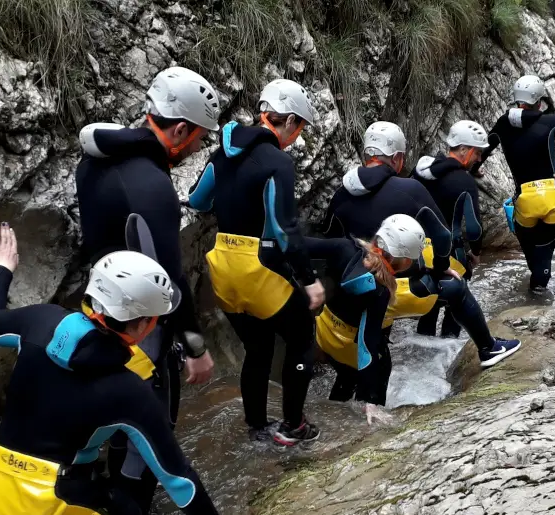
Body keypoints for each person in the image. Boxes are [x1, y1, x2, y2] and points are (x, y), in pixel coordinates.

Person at [0, 224, 258, 515]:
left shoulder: (39, 322)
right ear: (142, 326)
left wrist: (3, 268)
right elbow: (178, 479)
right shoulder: (127, 392)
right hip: (52, 505)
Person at [76, 66, 220, 428]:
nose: (199, 147)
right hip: (139, 328)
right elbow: (169, 279)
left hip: (95, 309)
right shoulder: (152, 187)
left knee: (107, 422)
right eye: (200, 137)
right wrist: (195, 347)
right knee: (150, 427)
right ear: (181, 129)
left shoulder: (96, 160)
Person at [187, 79, 325, 446]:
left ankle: (257, 427)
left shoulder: (221, 154)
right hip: (259, 267)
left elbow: (197, 200)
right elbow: (284, 228)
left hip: (223, 266)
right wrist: (309, 280)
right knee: (300, 338)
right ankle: (293, 426)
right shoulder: (277, 161)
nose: (297, 136)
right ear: (290, 121)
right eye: (299, 128)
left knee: (258, 347)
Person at [322, 121, 521, 368]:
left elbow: (328, 244)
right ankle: (488, 349)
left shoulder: (340, 194)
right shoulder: (409, 189)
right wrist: (439, 267)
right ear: (396, 157)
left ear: (366, 154)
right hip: (395, 291)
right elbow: (442, 236)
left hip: (350, 294)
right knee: (455, 288)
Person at [474, 74, 555, 293]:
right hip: (553, 196)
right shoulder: (550, 121)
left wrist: (475, 170)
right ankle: (539, 298)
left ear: (516, 99)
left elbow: (481, 151)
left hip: (525, 200)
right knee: (544, 253)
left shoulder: (502, 124)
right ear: (540, 100)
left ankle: (532, 291)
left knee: (531, 253)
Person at [306, 215, 425, 426]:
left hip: (323, 333)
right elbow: (366, 343)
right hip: (348, 347)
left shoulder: (343, 247)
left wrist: (308, 279)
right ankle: (369, 414)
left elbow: (298, 246)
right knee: (381, 361)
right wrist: (370, 399)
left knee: (346, 375)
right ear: (405, 262)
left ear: (378, 238)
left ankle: (333, 409)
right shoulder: (380, 292)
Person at [412, 119, 491, 338]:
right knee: (455, 302)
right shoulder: (464, 182)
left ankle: (424, 343)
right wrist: (475, 252)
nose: (479, 159)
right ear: (464, 149)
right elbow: (474, 228)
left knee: (430, 302)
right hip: (449, 252)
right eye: (477, 153)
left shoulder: (422, 170)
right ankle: (448, 350)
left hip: (419, 251)